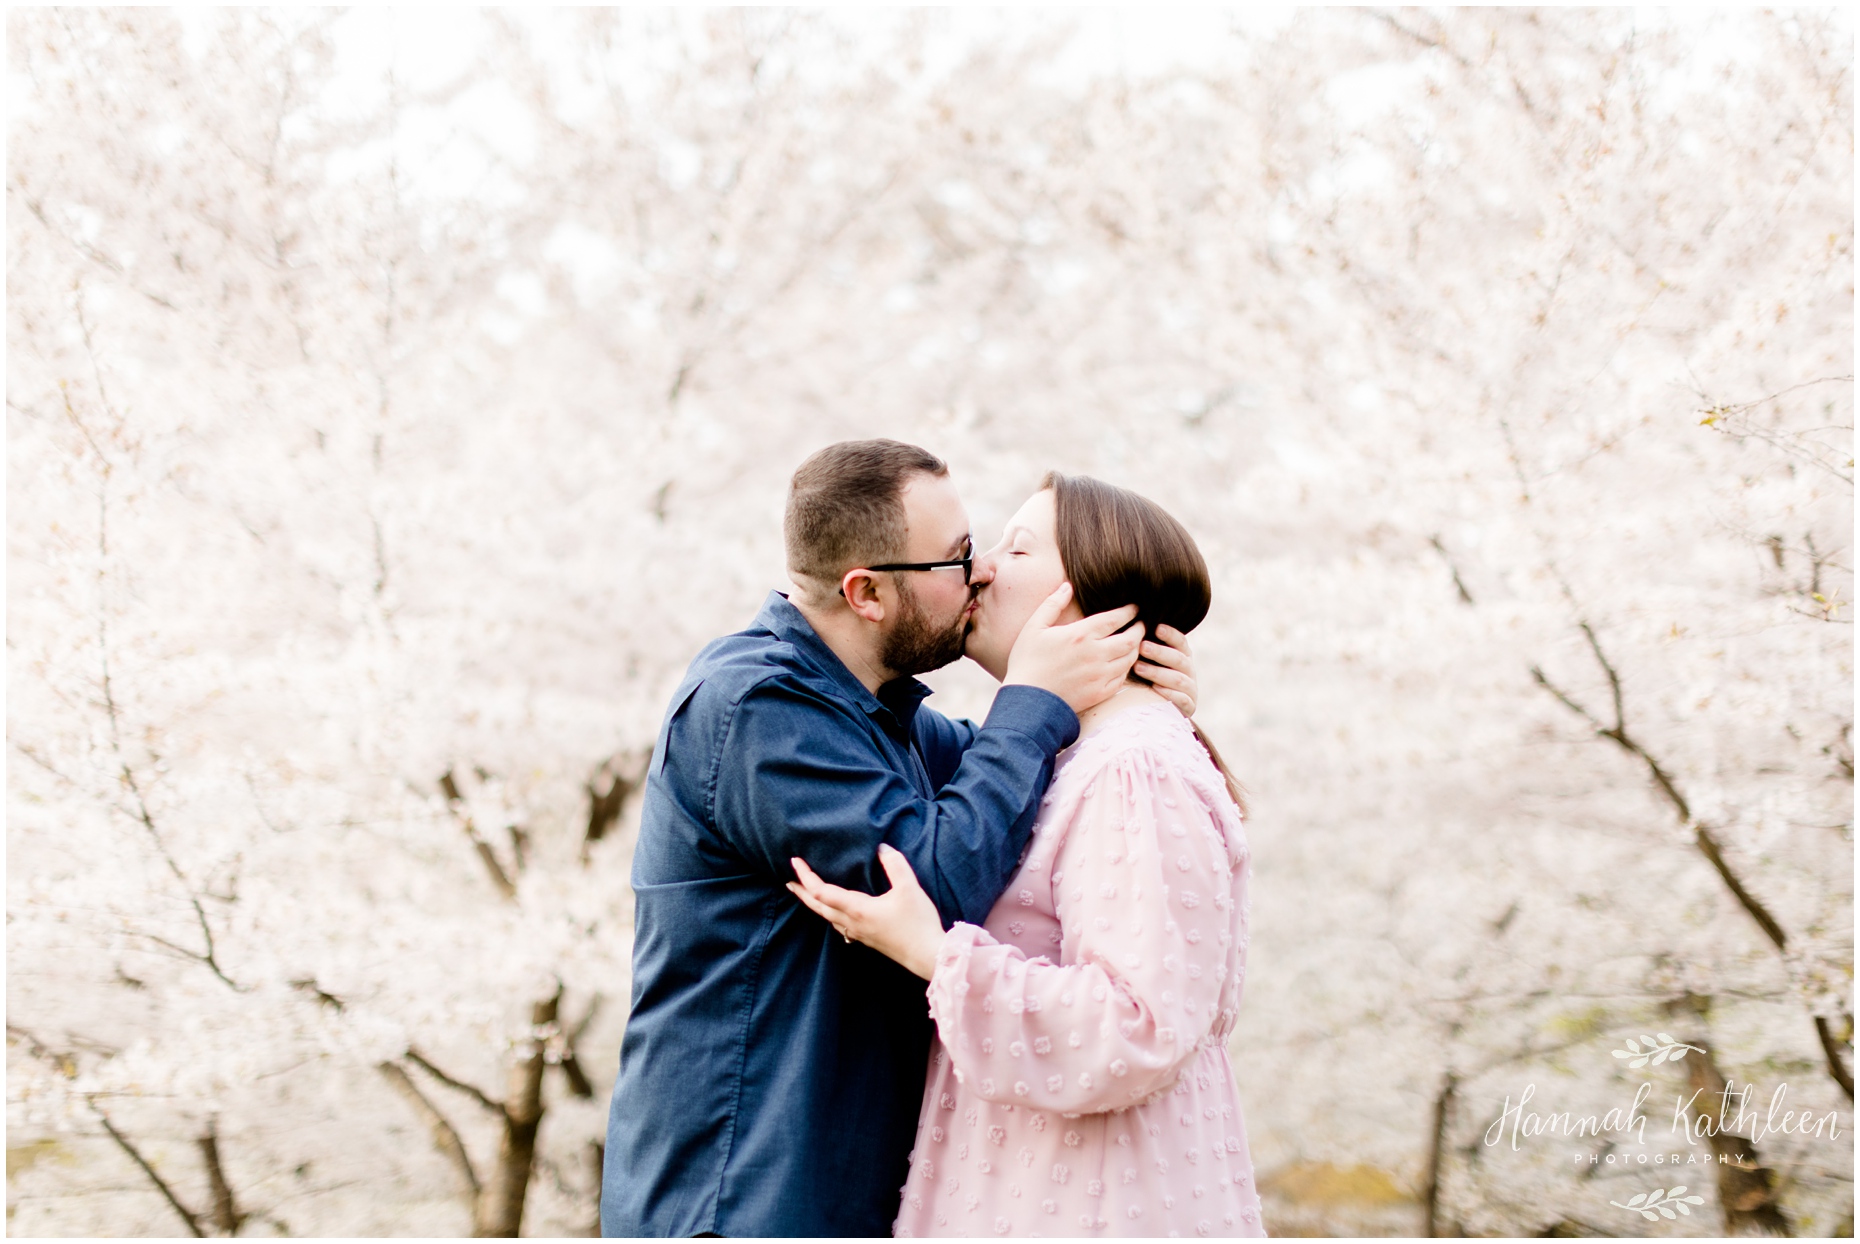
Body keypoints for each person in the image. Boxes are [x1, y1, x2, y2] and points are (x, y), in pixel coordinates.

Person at [602, 442, 1200, 1237]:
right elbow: (936, 882)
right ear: (869, 593)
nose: (979, 572)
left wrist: (1136, 695)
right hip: (745, 1195)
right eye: (955, 558)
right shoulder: (755, 708)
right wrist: (1031, 697)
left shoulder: (892, 723)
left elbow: (1029, 788)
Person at [789, 472, 1266, 1237]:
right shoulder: (1080, 759)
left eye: (1016, 549)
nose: (979, 569)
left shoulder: (1129, 769)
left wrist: (936, 954)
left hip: (1096, 1204)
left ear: (1091, 601)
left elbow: (1137, 1025)